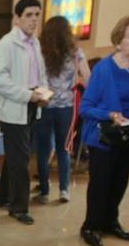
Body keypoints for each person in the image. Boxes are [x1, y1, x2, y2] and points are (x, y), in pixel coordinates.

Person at [78, 15, 129, 246]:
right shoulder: (104, 69)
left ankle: (111, 222)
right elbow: (86, 107)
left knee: (120, 181)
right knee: (101, 182)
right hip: (105, 136)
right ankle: (91, 226)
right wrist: (110, 114)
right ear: (119, 42)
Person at [0, 0, 48, 225]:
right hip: (14, 108)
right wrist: (27, 95)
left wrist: (42, 95)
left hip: (33, 105)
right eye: (29, 15)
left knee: (16, 155)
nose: (34, 20)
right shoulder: (7, 43)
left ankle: (3, 197)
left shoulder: (35, 43)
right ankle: (18, 207)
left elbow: (40, 74)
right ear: (17, 18)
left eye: (37, 15)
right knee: (21, 159)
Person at [37, 16, 91, 203]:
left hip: (44, 106)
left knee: (43, 150)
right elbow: (88, 77)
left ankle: (44, 190)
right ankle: (64, 190)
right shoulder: (76, 52)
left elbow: (35, 79)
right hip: (66, 108)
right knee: (64, 149)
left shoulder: (40, 52)